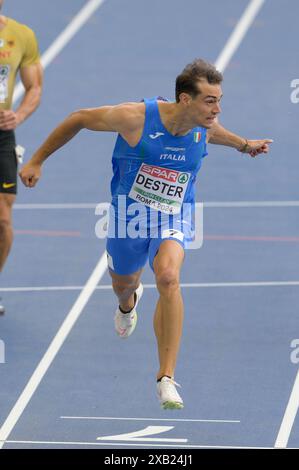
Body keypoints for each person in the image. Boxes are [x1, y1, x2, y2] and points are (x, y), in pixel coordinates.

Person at [19, 59, 272, 409]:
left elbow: (214, 134)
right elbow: (78, 118)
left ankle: (165, 377)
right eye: (210, 100)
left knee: (169, 277)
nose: (217, 108)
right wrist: (36, 160)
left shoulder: (202, 124)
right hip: (130, 216)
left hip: (175, 213)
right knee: (123, 283)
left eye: (219, 99)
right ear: (185, 99)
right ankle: (128, 303)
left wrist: (245, 144)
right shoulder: (135, 118)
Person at [0, 0, 43, 314]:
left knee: (2, 222)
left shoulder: (21, 35)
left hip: (1, 135)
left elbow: (34, 87)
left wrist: (19, 116)